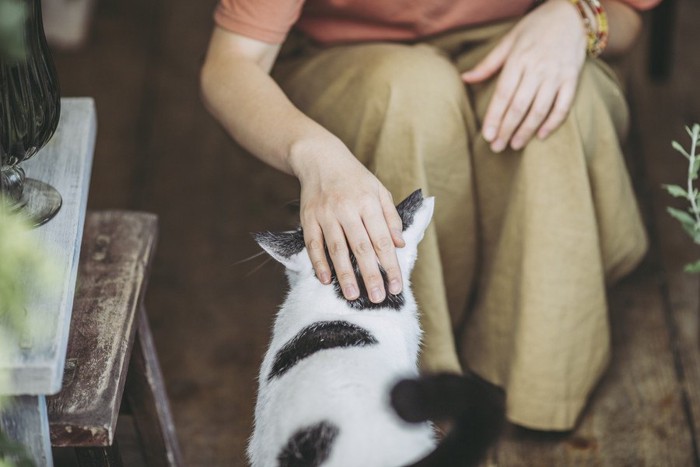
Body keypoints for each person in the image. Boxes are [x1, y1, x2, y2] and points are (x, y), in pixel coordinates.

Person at [200, 0, 660, 431]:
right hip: (345, 52)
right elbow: (233, 61)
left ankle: (536, 386)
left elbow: (628, 15)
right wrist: (314, 154)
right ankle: (413, 381)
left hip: (523, 30)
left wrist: (576, 16)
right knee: (412, 97)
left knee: (561, 111)